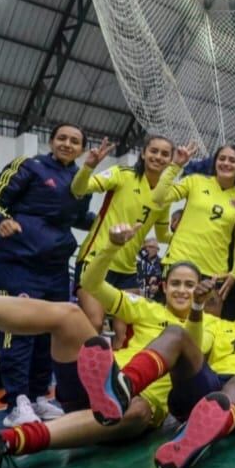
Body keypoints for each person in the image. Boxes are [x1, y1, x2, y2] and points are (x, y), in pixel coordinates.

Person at [0, 229, 206, 468]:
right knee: (70, 314)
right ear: (163, 286)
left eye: (190, 285)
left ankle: (7, 441)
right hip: (96, 380)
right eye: (176, 283)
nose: (182, 290)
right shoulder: (146, 308)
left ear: (201, 289)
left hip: (135, 409)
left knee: (138, 409)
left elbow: (208, 377)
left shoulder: (211, 326)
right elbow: (91, 283)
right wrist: (112, 247)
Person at [77, 260, 235, 468]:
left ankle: (197, 436)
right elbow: (195, 346)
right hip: (212, 392)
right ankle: (123, 387)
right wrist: (196, 307)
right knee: (177, 333)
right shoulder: (219, 324)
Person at [0, 122, 94, 426]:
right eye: (62, 138)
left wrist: (112, 221)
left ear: (82, 149)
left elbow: (79, 218)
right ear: (51, 141)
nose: (67, 144)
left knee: (48, 334)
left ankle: (39, 396)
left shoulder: (82, 181)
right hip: (17, 264)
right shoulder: (28, 165)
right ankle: (17, 402)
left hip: (55, 269)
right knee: (17, 333)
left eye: (75, 141)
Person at [70, 134, 174, 336]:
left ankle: (119, 360)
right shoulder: (122, 174)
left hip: (127, 270)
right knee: (95, 323)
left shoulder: (165, 195)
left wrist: (194, 235)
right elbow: (78, 189)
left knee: (128, 332)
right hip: (96, 259)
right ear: (143, 153)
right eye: (153, 151)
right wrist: (88, 167)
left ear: (171, 161)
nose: (158, 157)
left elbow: (162, 236)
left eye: (164, 154)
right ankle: (75, 357)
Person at [152, 143, 235, 314]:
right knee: (166, 323)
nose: (226, 163)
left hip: (214, 273)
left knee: (205, 328)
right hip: (179, 262)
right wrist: (175, 166)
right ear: (215, 162)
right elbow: (159, 197)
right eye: (222, 158)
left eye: (232, 160)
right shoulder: (195, 181)